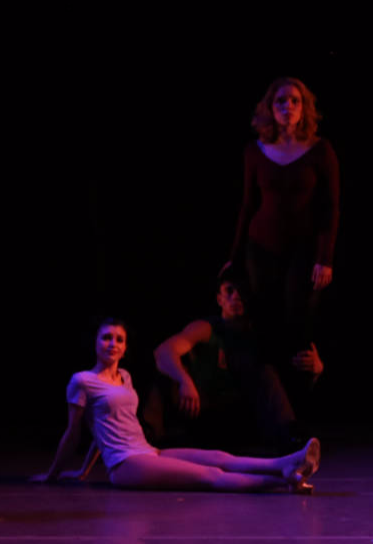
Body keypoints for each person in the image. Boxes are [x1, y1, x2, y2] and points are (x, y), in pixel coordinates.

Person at [40, 319, 321, 493]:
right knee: (211, 476)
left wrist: (85, 470)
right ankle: (285, 480)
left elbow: (102, 430)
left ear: (125, 348)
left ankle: (285, 464)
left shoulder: (124, 377)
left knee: (220, 457)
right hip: (126, 464)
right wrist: (53, 475)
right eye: (106, 337)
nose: (112, 344)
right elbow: (75, 432)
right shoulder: (82, 381)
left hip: (149, 451)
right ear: (95, 343)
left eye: (119, 339)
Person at [227, 77, 340, 388]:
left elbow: (330, 208)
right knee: (265, 318)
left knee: (298, 317)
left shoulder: (320, 151)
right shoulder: (255, 151)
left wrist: (325, 258)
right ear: (270, 108)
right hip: (261, 247)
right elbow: (248, 205)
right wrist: (235, 256)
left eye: (294, 101)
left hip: (304, 248)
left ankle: (301, 388)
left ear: (304, 109)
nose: (287, 106)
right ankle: (270, 393)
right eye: (280, 101)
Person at [142, 274, 320, 453]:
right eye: (229, 291)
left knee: (268, 372)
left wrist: (316, 369)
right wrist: (184, 380)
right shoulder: (207, 328)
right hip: (202, 411)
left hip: (242, 415)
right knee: (165, 371)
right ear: (219, 299)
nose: (236, 296)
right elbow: (162, 352)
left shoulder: (261, 333)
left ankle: (291, 441)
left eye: (242, 291)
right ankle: (146, 440)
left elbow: (287, 380)